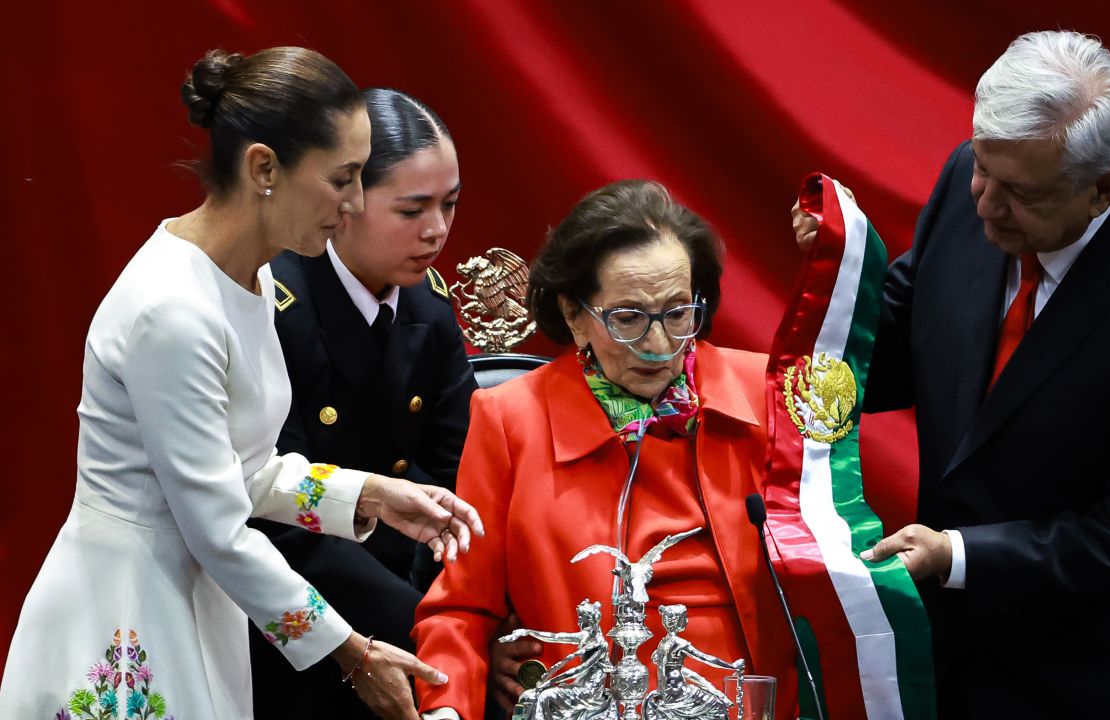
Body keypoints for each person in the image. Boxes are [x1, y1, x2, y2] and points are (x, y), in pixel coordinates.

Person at [0, 47, 482, 720]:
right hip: (127, 611)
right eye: (342, 179)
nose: (351, 207)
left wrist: (368, 493)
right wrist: (354, 652)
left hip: (199, 598)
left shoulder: (246, 277)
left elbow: (246, 470)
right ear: (264, 169)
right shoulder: (173, 307)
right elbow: (219, 529)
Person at [795, 30, 1110, 717]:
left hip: (1107, 674)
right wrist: (840, 270)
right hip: (967, 655)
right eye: (981, 168)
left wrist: (956, 555)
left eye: (1018, 193)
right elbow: (902, 350)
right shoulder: (971, 178)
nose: (983, 203)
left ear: (1102, 190)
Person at [411, 180, 799, 720]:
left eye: (677, 313)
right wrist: (446, 709)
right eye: (628, 317)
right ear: (574, 315)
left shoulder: (771, 394)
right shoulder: (510, 421)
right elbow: (459, 609)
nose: (658, 345)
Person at [249, 88, 477, 720]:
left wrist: (455, 618)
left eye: (449, 204)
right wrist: (422, 627)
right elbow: (272, 515)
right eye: (412, 209)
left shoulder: (429, 307)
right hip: (302, 628)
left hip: (414, 610)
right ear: (345, 201)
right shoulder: (277, 307)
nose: (437, 229)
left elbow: (456, 474)